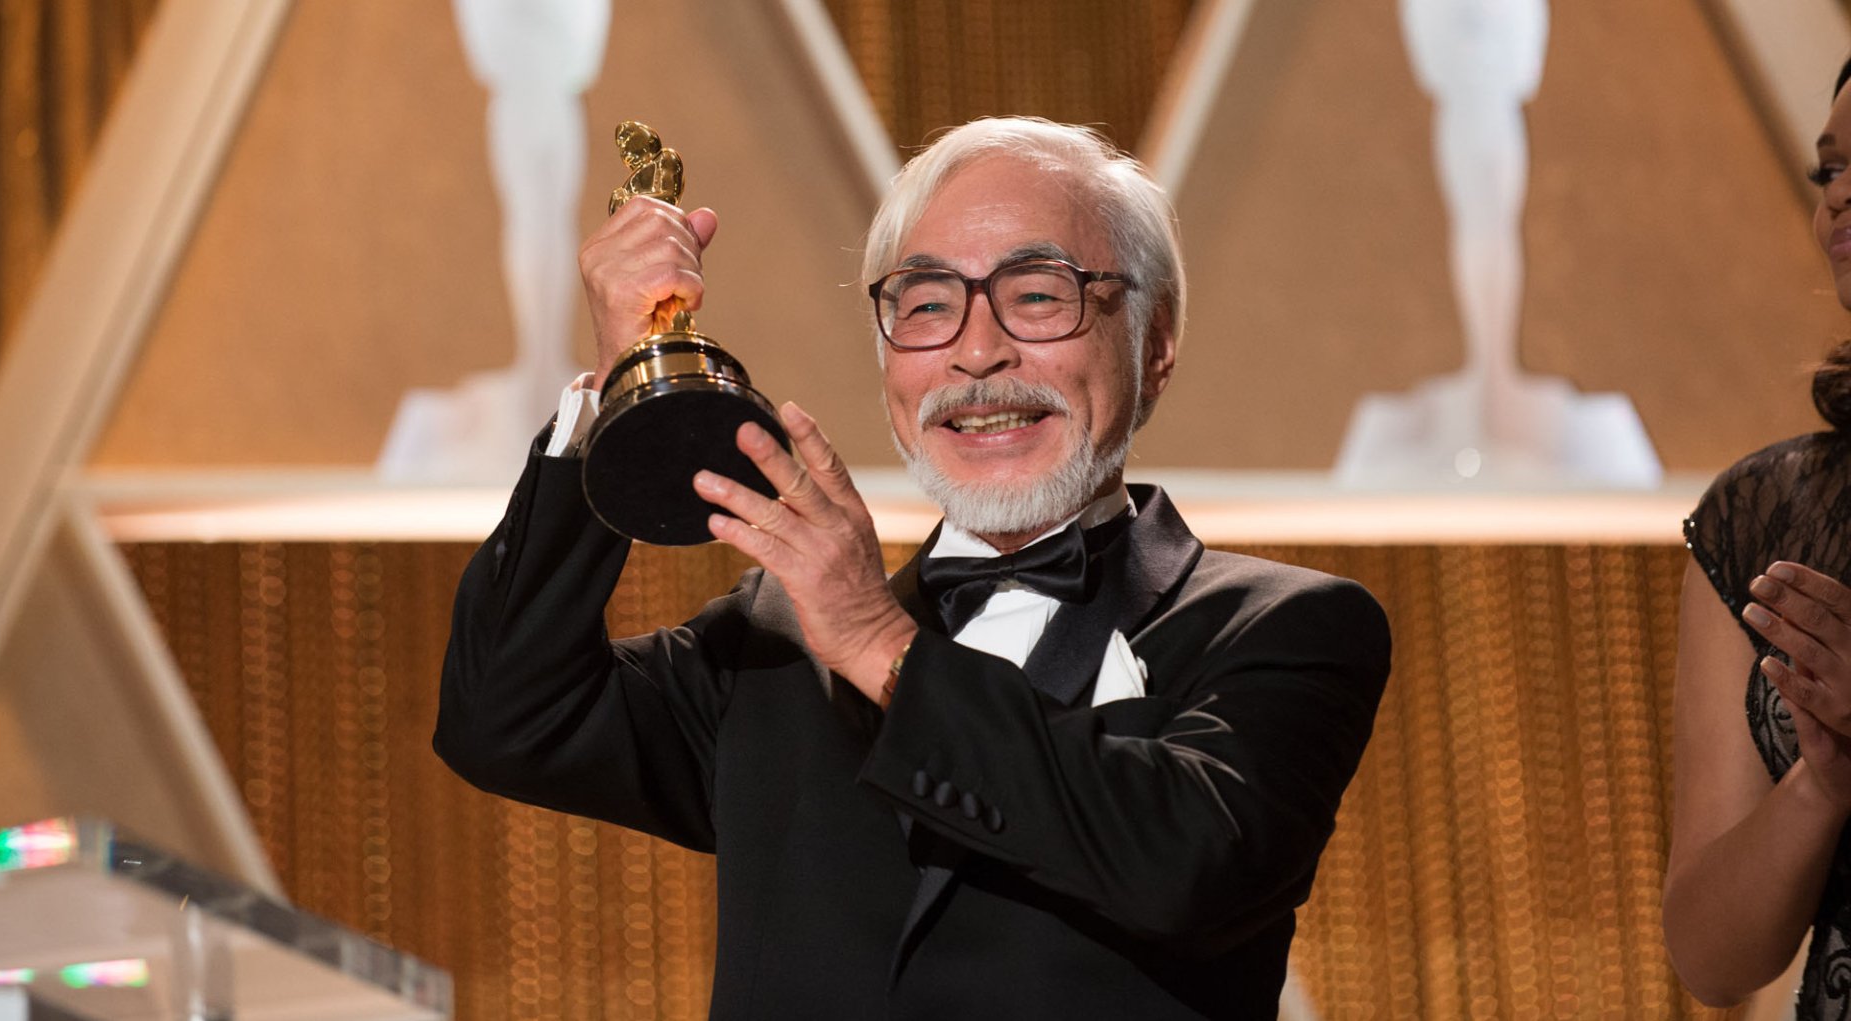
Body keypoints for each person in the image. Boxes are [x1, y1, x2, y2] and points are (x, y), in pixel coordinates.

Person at [435, 116, 1391, 1018]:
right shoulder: (774, 642)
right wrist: (624, 387)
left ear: (1158, 340)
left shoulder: (1289, 625)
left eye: (1038, 294)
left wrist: (882, 645)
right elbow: (507, 717)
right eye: (927, 304)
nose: (977, 352)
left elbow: (1192, 866)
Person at [1668, 59, 1851, 1015]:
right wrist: (1825, 776)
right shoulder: (1764, 512)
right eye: (1829, 172)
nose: (1841, 198)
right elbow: (1711, 954)